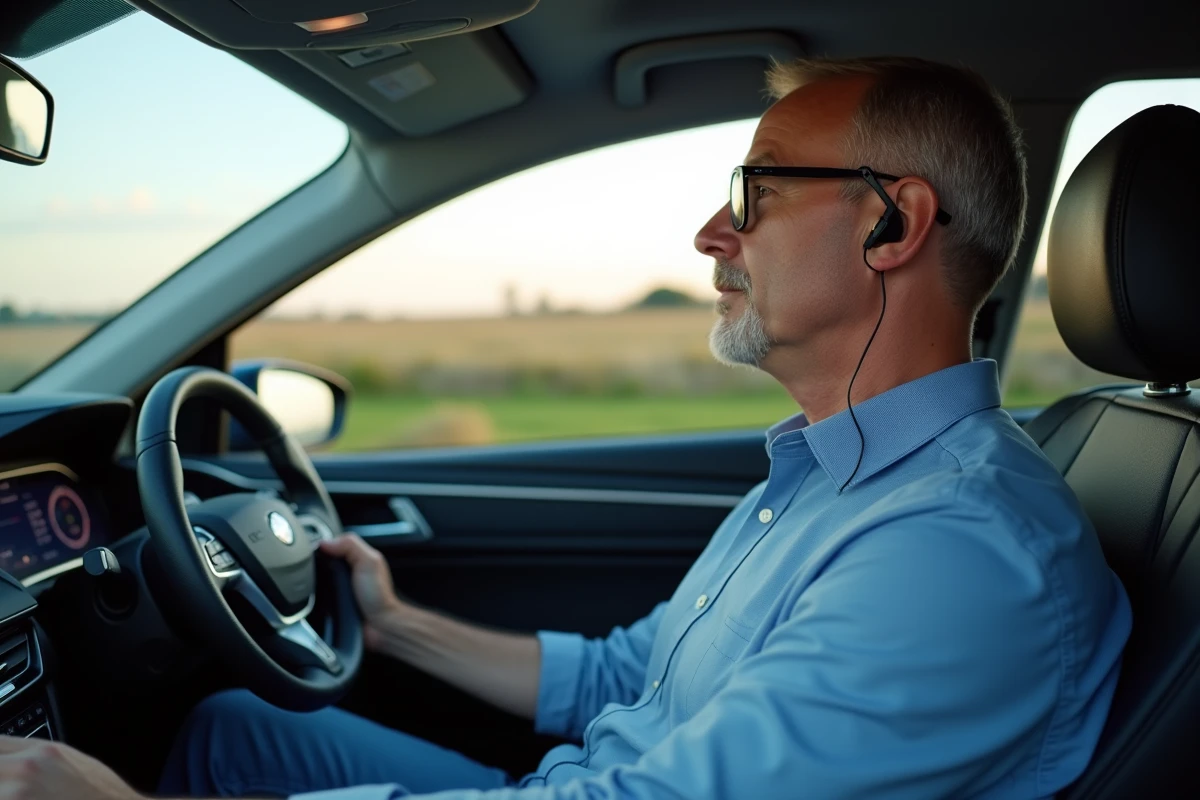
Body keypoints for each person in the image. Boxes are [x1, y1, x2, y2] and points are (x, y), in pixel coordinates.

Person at [0, 55, 1131, 800]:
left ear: (894, 224)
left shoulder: (957, 552)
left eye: (757, 192)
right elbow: (628, 679)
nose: (711, 234)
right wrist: (395, 626)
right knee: (228, 730)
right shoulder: (833, 473)